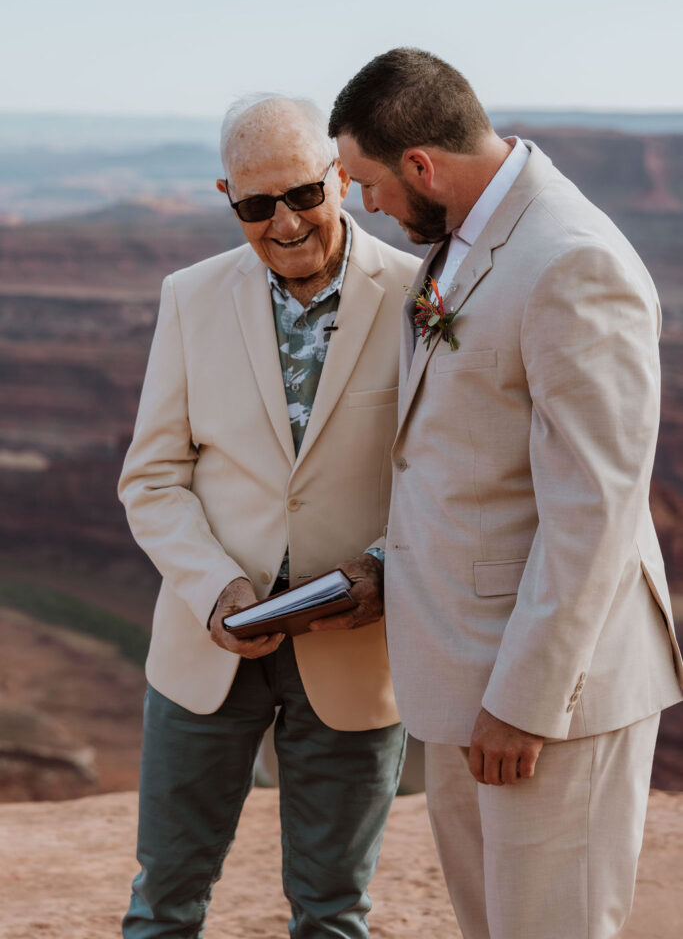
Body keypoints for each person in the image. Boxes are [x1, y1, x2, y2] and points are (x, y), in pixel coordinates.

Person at [323, 48, 683, 939]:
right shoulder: (463, 243)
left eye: (366, 182)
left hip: (547, 697)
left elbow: (592, 510)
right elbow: (453, 461)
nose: (363, 207)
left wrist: (521, 702)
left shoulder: (570, 261)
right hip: (458, 675)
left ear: (420, 164)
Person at [118, 93, 419, 938]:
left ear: (340, 179)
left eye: (301, 195)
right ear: (227, 197)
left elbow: (450, 479)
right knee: (164, 902)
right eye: (255, 206)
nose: (283, 223)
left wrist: (386, 566)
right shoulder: (189, 296)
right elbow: (152, 478)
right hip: (207, 643)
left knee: (332, 913)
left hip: (358, 648)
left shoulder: (420, 299)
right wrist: (214, 588)